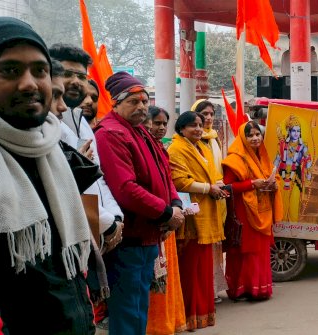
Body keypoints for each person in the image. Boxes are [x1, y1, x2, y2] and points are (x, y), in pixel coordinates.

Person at [0, 17, 95, 334]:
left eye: (40, 71)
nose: (30, 83)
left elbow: (71, 266)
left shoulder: (49, 148)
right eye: (9, 70)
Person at [94, 71, 184, 335]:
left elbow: (164, 172)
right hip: (129, 239)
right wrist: (166, 213)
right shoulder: (110, 133)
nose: (142, 107)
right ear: (116, 103)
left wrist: (175, 203)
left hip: (149, 234)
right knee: (128, 311)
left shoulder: (139, 132)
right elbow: (126, 189)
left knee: (138, 308)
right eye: (134, 101)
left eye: (144, 101)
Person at [51, 43, 124, 257]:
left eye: (81, 76)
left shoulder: (82, 122)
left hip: (95, 232)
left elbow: (98, 178)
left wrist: (115, 218)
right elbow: (62, 184)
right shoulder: (45, 123)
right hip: (65, 237)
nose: (75, 81)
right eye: (67, 73)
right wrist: (107, 224)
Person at [168, 111, 227, 329]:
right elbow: (179, 181)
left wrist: (217, 186)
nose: (198, 129)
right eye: (193, 125)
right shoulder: (176, 149)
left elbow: (210, 175)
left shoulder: (200, 147)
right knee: (191, 270)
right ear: (181, 128)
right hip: (191, 217)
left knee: (203, 269)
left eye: (200, 124)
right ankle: (189, 317)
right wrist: (208, 188)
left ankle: (203, 315)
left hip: (207, 211)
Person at [222, 121, 283, 300]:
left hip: (263, 209)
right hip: (244, 212)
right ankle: (242, 289)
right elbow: (227, 186)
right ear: (243, 138)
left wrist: (274, 184)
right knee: (246, 250)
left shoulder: (263, 156)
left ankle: (260, 289)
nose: (255, 138)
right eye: (250, 135)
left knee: (261, 249)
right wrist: (251, 184)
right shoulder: (234, 159)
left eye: (258, 134)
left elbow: (274, 176)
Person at [144, 105, 187, 335]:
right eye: (156, 122)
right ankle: (154, 327)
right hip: (153, 220)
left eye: (164, 124)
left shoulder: (161, 149)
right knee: (152, 279)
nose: (160, 127)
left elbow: (168, 182)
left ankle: (166, 322)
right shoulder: (140, 147)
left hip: (168, 218)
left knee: (165, 276)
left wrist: (176, 206)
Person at [192, 99, 229, 302]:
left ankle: (212, 289)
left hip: (217, 196)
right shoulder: (193, 141)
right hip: (201, 198)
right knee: (201, 247)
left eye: (211, 114)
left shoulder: (213, 139)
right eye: (203, 114)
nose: (208, 118)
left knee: (214, 248)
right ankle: (202, 291)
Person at [274, 114, 313, 222]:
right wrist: (271, 174)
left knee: (294, 201)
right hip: (282, 174)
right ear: (289, 131)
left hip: (296, 175)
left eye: (298, 131)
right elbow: (277, 160)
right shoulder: (282, 145)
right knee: (282, 200)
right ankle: (281, 222)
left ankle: (293, 224)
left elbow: (308, 160)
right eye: (294, 131)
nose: (296, 133)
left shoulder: (303, 146)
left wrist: (309, 175)